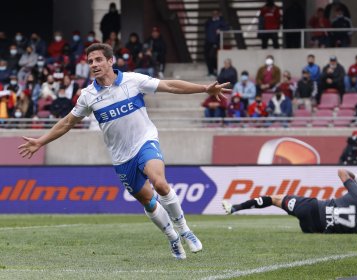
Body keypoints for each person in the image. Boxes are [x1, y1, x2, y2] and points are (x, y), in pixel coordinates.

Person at [18, 43, 231, 259]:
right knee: (148, 201)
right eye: (90, 61)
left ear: (111, 61)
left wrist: (204, 88)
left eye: (98, 59)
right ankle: (172, 237)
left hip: (145, 142)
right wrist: (41, 141)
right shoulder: (88, 95)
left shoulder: (133, 80)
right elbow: (67, 123)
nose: (94, 64)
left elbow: (170, 86)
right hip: (121, 157)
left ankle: (185, 230)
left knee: (159, 183)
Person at [222, 169, 357, 234]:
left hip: (311, 209)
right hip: (317, 229)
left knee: (273, 199)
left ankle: (235, 208)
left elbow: (341, 172)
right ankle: (234, 208)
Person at [204, 10, 228, 76]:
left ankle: (214, 70)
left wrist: (220, 30)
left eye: (216, 13)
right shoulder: (209, 21)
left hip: (215, 42)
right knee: (207, 57)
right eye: (213, 13)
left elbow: (226, 28)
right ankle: (210, 71)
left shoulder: (221, 21)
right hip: (208, 42)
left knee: (212, 56)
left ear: (219, 14)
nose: (214, 15)